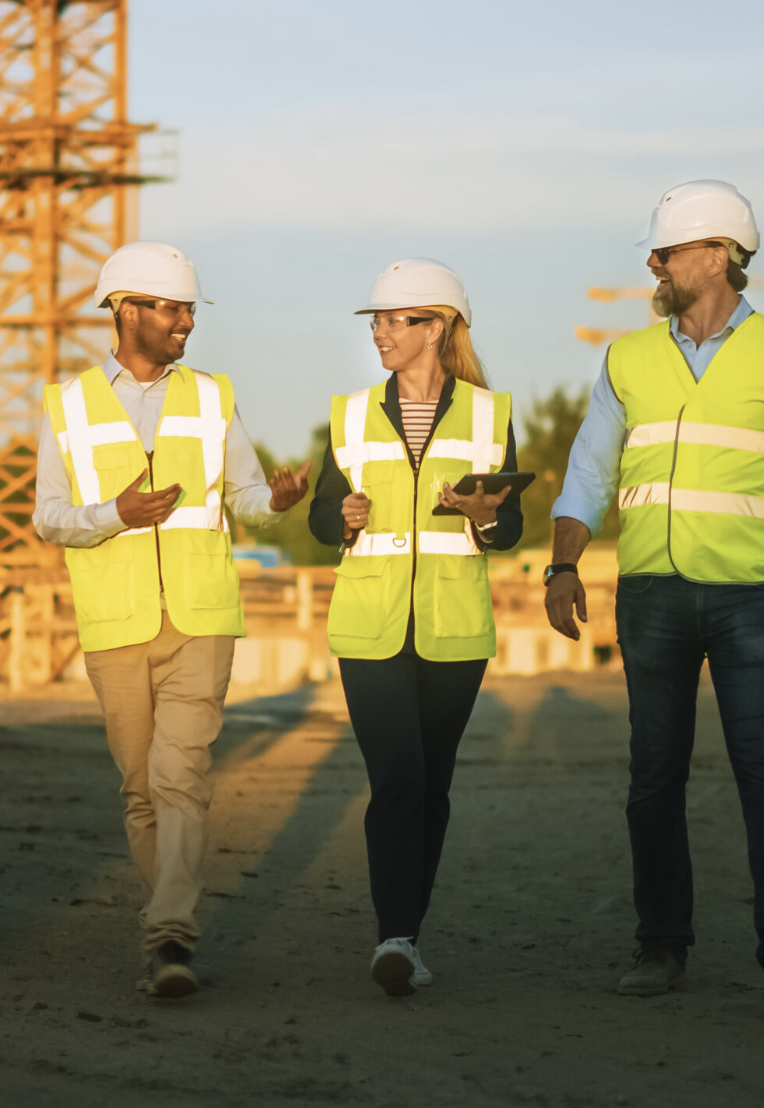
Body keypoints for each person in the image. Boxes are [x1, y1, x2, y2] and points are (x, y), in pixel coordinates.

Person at [543, 180, 764, 1004]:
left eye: (670, 250)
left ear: (720, 256)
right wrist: (562, 563)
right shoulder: (625, 359)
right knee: (653, 776)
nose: (654, 263)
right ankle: (662, 945)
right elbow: (589, 470)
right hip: (650, 596)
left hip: (751, 597)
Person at [34, 241, 310, 999]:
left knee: (179, 775)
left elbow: (246, 496)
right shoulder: (68, 403)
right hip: (115, 622)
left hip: (201, 616)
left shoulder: (213, 396)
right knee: (140, 789)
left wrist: (278, 503)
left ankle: (168, 938)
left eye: (189, 309)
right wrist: (112, 514)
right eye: (171, 307)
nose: (186, 321)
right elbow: (49, 516)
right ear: (126, 311)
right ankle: (168, 922)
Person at [306, 259, 523, 996]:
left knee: (431, 787)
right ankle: (394, 936)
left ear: (436, 328)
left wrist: (488, 516)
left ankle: (409, 930)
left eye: (393, 321)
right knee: (397, 778)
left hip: (454, 628)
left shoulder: (491, 415)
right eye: (376, 322)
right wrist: (342, 516)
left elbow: (511, 521)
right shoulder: (348, 413)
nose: (378, 335)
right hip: (369, 626)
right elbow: (318, 515)